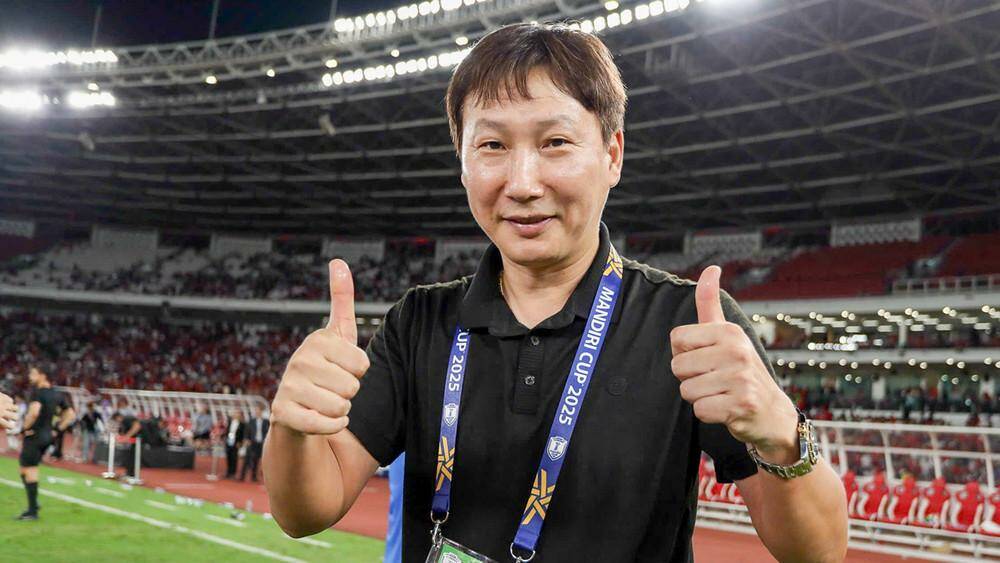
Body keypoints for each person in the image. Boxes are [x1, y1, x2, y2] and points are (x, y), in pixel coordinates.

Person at [263, 23, 847, 561]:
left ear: (612, 155)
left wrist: (781, 433)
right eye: (492, 146)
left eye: (556, 142)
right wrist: (293, 425)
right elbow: (304, 511)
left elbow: (818, 552)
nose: (522, 184)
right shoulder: (419, 322)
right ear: (462, 163)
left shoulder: (687, 323)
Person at [17, 367, 75, 520]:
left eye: (33, 373)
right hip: (48, 436)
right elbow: (70, 414)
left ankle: (32, 511)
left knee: (29, 469)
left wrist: (23, 429)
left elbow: (34, 412)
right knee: (24, 468)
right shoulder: (57, 393)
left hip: (34, 435)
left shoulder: (37, 392)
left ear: (42, 376)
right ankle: (34, 504)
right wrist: (57, 430)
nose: (30, 376)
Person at [239, 406, 269, 482]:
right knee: (247, 459)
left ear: (261, 412)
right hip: (252, 443)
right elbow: (247, 431)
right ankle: (242, 476)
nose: (257, 412)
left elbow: (268, 432)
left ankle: (254, 476)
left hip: (261, 443)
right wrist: (246, 439)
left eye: (258, 410)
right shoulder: (251, 421)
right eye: (256, 410)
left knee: (256, 460)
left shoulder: (266, 422)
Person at [110, 412, 143, 478]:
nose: (117, 421)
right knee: (128, 456)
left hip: (139, 440)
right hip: (132, 442)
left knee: (133, 457)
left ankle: (132, 474)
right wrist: (121, 438)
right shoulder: (122, 424)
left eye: (116, 419)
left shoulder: (127, 418)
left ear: (118, 417)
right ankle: (129, 473)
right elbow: (121, 433)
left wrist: (127, 436)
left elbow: (137, 426)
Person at [224, 410, 245, 479]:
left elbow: (242, 434)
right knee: (228, 457)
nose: (236, 415)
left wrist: (240, 442)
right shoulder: (230, 422)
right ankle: (228, 472)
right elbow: (227, 431)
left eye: (237, 413)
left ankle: (233, 473)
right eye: (235, 413)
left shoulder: (242, 424)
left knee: (234, 458)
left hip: (236, 442)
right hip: (229, 441)